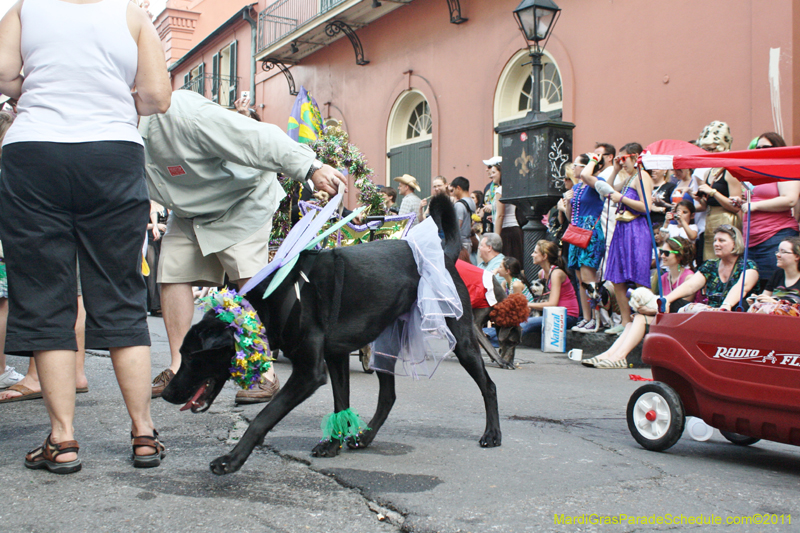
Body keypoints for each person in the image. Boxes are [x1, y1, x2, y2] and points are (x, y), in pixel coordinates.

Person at [0, 0, 172, 473]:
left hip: (34, 151)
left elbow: (2, 74)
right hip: (112, 151)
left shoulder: (24, 10)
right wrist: (115, 95)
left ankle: (63, 439)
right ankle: (142, 433)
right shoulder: (133, 15)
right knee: (120, 291)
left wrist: (29, 88)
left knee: (43, 293)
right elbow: (157, 97)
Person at [142, 90, 344, 404]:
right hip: (188, 208)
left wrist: (311, 168)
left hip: (242, 200)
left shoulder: (184, 113)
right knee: (173, 273)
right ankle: (181, 364)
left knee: (248, 283)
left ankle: (263, 373)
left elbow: (256, 136)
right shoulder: (113, 129)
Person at [583, 237, 696, 369]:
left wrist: (651, 311)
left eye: (666, 253)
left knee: (640, 319)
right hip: (667, 317)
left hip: (682, 321)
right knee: (632, 322)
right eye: (661, 252)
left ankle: (619, 357)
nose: (662, 256)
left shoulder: (689, 277)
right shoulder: (663, 277)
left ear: (680, 256)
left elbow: (681, 308)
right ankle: (609, 354)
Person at [603, 143, 654, 335]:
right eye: (619, 159)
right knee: (618, 277)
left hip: (637, 229)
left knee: (639, 276)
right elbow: (607, 189)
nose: (621, 162)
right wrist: (615, 169)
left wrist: (621, 199)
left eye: (624, 159)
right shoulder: (628, 178)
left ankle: (645, 321)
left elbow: (646, 206)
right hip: (623, 229)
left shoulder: (642, 176)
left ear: (636, 157)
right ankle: (625, 322)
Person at [739, 132, 800, 290]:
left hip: (775, 236)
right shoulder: (756, 171)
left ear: (778, 148)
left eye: (766, 147)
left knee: (774, 287)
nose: (760, 150)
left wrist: (756, 206)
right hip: (751, 241)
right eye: (757, 147)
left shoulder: (785, 167)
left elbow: (790, 199)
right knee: (752, 288)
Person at [664, 225, 759, 312]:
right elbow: (690, 286)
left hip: (734, 313)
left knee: (740, 303)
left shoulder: (748, 266)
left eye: (721, 240)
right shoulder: (710, 264)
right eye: (715, 240)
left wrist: (726, 306)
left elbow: (742, 287)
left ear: (735, 244)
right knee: (674, 302)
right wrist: (667, 299)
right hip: (711, 312)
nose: (716, 244)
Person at [566, 153, 607, 333]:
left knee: (588, 276)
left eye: (576, 164)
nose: (573, 168)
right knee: (579, 277)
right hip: (576, 231)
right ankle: (587, 317)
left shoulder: (596, 181)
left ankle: (597, 317)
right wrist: (567, 203)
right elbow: (570, 217)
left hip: (591, 231)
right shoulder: (575, 187)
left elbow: (588, 178)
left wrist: (593, 161)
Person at [695, 121, 742, 261]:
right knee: (709, 260)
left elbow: (735, 206)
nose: (708, 153)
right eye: (706, 149)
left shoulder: (730, 171)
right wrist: (698, 198)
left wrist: (713, 192)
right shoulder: (708, 172)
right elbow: (705, 205)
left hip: (726, 218)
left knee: (727, 258)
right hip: (710, 220)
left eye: (712, 149)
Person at [485, 160, 524, 266]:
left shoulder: (500, 190)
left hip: (506, 232)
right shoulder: (513, 188)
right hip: (515, 230)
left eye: (494, 172)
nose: (491, 175)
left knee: (505, 265)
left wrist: (496, 237)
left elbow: (501, 215)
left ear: (501, 173)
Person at [749, 236, 800, 307]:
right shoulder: (778, 274)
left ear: (797, 256)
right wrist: (757, 302)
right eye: (778, 251)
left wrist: (775, 303)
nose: (777, 255)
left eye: (783, 252)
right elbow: (765, 298)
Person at [449, 176, 476, 262]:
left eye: (453, 190)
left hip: (461, 243)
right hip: (468, 241)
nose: (453, 193)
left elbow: (457, 226)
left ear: (458, 188)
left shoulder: (459, 205)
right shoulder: (472, 202)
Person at [482, 156, 501, 233]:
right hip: (488, 225)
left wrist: (493, 207)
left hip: (499, 228)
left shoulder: (503, 188)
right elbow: (483, 204)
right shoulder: (488, 186)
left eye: (489, 167)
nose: (487, 169)